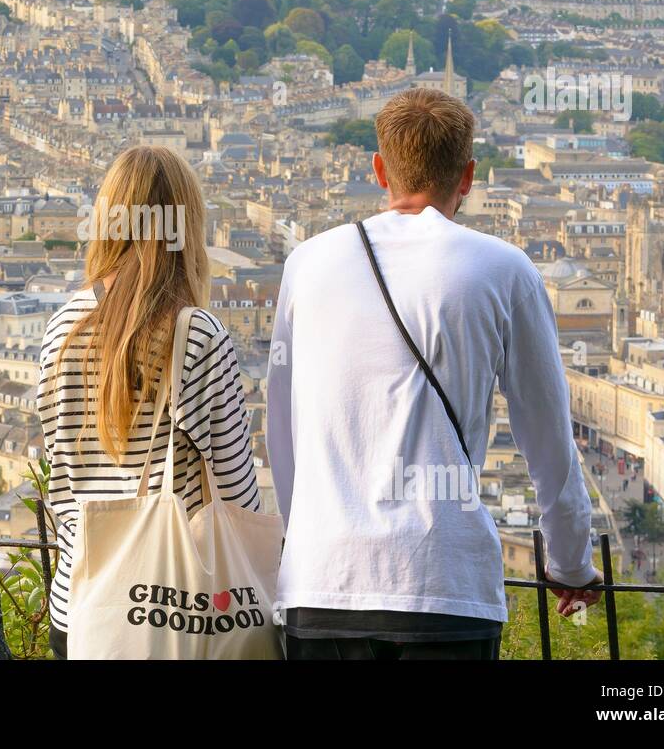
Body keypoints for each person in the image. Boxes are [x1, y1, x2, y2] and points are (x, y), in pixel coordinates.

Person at [266, 88, 601, 660]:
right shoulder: (504, 269)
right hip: (444, 585)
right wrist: (570, 561)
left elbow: (281, 430)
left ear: (379, 169)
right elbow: (548, 435)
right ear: (468, 175)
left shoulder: (307, 263)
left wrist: (306, 541)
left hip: (323, 582)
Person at [37, 145, 262, 659]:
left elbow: (63, 481)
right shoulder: (197, 336)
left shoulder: (60, 330)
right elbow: (238, 499)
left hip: (81, 608)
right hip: (175, 611)